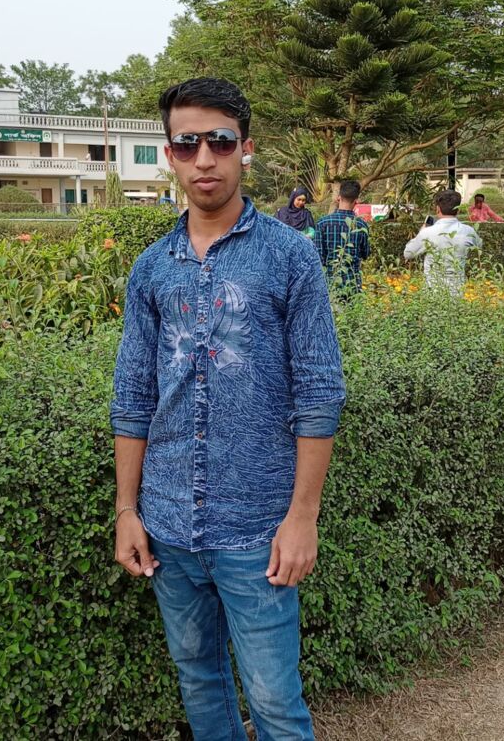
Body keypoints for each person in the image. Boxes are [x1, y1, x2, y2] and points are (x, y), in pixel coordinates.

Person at [110, 77, 345, 741]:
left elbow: (319, 391)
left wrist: (302, 517)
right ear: (170, 155)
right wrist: (127, 511)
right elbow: (133, 396)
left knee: (274, 703)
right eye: (188, 145)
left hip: (257, 531)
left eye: (220, 141)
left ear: (246, 148)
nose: (205, 159)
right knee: (199, 683)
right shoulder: (152, 269)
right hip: (168, 528)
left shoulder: (290, 257)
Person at [404, 189, 482, 295]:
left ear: (437, 209)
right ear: (458, 210)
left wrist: (421, 232)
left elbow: (408, 254)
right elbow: (479, 248)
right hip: (457, 292)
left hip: (432, 291)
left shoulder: (427, 232)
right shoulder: (469, 231)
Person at [315, 180, 371, 291]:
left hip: (330, 285)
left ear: (338, 198)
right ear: (356, 201)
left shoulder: (322, 223)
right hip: (353, 285)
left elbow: (318, 257)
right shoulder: (361, 225)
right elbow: (365, 254)